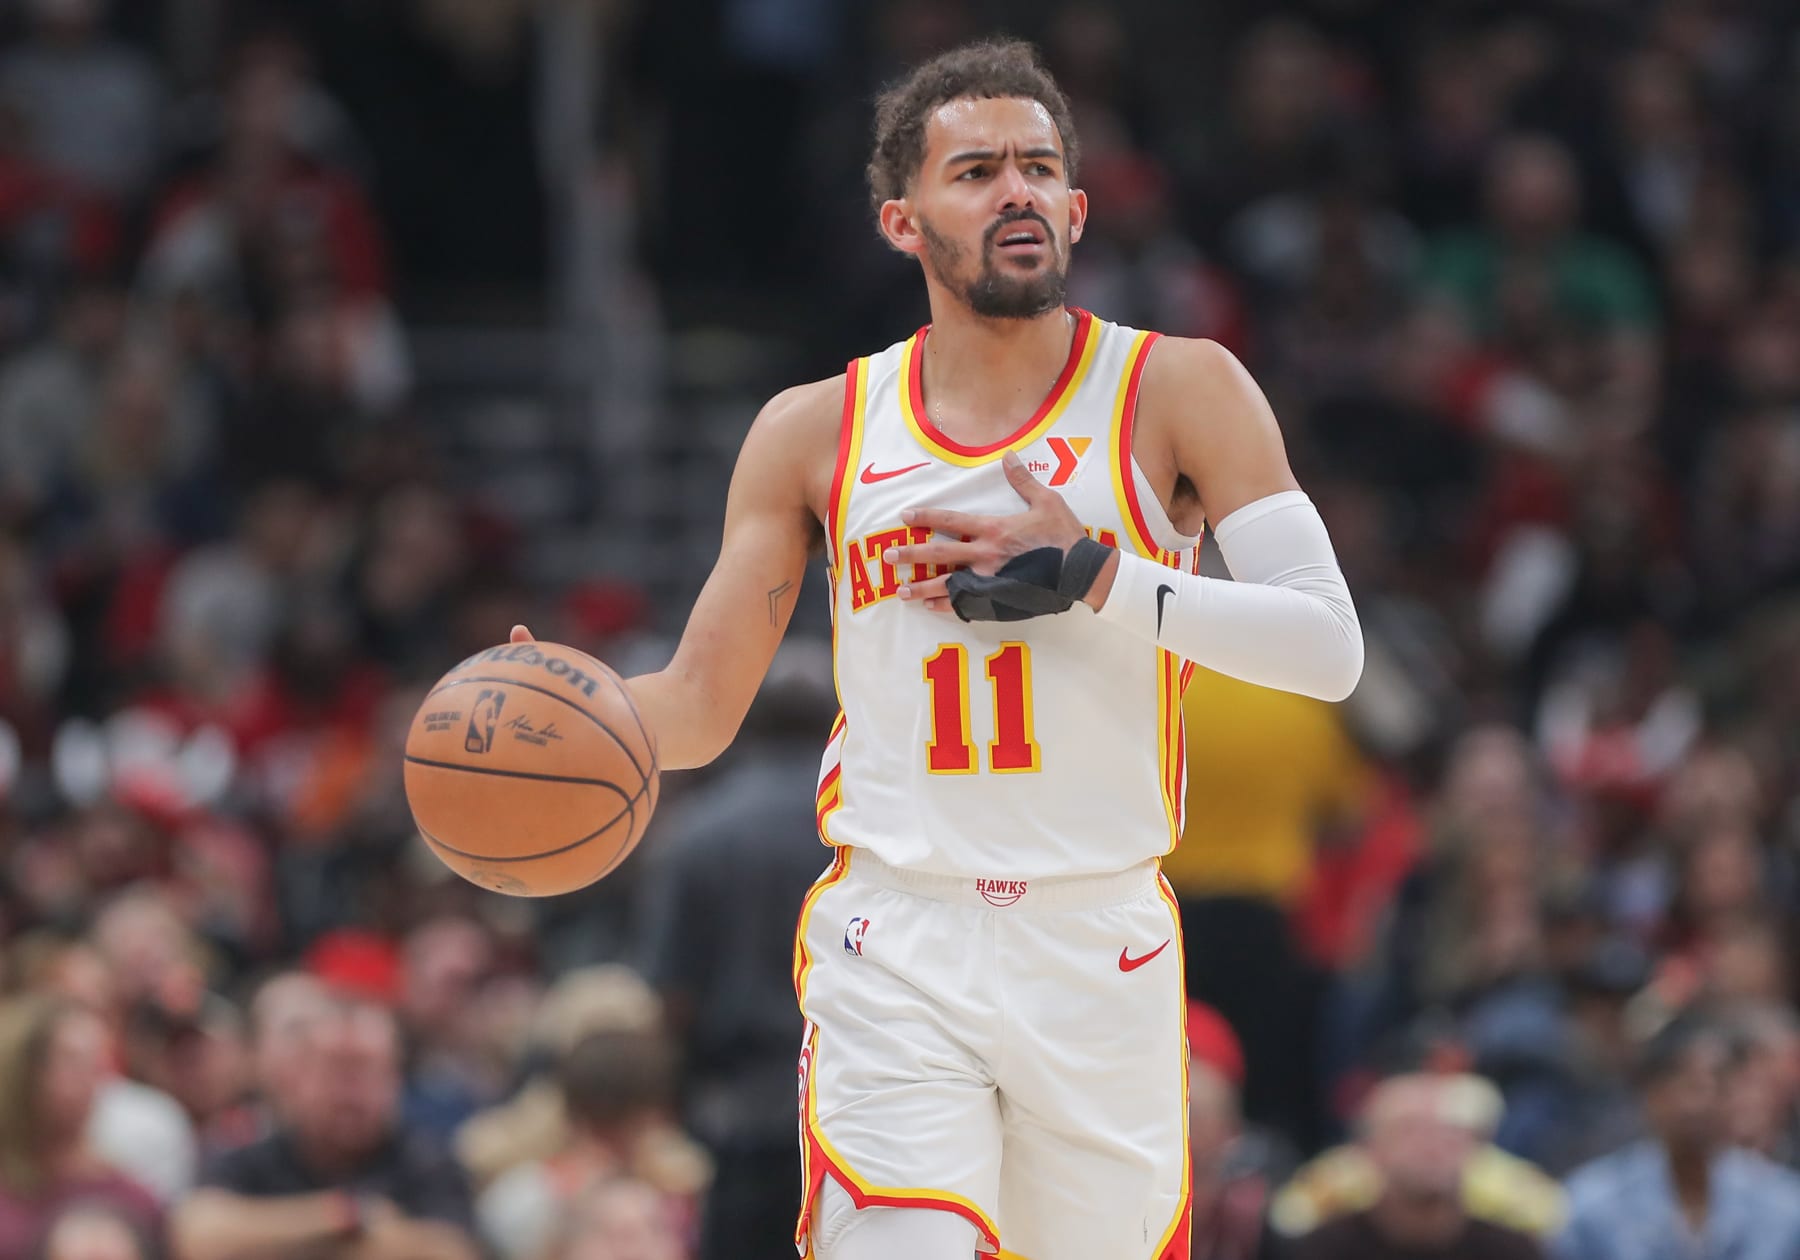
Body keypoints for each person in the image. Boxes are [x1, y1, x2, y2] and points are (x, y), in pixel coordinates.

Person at [511, 37, 1362, 1260]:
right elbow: (699, 702)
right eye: (976, 171)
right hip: (898, 936)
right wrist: (579, 714)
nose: (1014, 190)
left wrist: (1096, 572)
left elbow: (1328, 649)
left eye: (1037, 168)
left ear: (1074, 208)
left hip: (1098, 933)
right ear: (901, 221)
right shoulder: (816, 430)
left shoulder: (1180, 390)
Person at [169, 999, 481, 1260]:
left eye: (366, 1071)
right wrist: (344, 1217)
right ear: (297, 1078)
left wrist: (270, 1239)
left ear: (396, 1083)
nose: (350, 1093)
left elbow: (453, 1251)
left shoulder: (426, 1158)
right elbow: (199, 1236)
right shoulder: (250, 1153)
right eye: (336, 1071)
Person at [1554, 1013, 1800, 1260]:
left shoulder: (1784, 1207)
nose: (1694, 1105)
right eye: (1681, 1085)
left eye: (1710, 1087)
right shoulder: (1592, 1205)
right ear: (1649, 1094)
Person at [1289, 1075, 1545, 1260]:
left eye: (1449, 1131)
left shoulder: (1512, 1251)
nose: (1432, 1146)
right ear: (1370, 1149)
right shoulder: (1326, 1249)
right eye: (1410, 1130)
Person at [0, 996, 160, 1260]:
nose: (92, 1075)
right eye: (72, 1060)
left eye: (97, 1060)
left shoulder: (132, 1198)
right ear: (23, 1071)